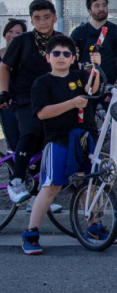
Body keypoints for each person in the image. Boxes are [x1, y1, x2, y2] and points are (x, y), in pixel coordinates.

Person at [22, 35, 101, 255]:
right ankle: (31, 233)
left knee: (88, 185)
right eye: (56, 53)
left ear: (73, 58)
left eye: (66, 54)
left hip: (84, 138)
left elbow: (91, 89)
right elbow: (42, 112)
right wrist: (72, 104)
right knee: (50, 187)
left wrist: (96, 66)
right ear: (48, 57)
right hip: (58, 140)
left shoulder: (78, 75)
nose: (61, 57)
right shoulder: (42, 82)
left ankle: (94, 227)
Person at [0, 0, 61, 203]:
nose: (43, 22)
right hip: (25, 97)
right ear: (32, 21)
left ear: (55, 17)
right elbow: (4, 67)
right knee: (31, 130)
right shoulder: (22, 41)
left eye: (46, 17)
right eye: (37, 18)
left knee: (50, 143)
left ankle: (40, 198)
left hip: (52, 98)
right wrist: (4, 91)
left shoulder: (62, 40)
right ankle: (16, 181)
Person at [70, 0, 117, 86]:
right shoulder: (79, 32)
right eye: (97, 6)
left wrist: (116, 86)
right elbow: (70, 60)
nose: (101, 9)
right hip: (84, 85)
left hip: (110, 85)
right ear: (89, 10)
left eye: (104, 5)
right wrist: (83, 66)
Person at [1, 19, 27, 152]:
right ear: (4, 34)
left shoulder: (28, 55)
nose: (13, 35)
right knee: (12, 138)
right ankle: (15, 169)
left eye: (18, 32)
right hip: (6, 102)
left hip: (25, 100)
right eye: (10, 31)